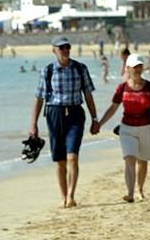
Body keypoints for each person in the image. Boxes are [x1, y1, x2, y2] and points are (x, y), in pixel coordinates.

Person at [30, 36, 99, 208]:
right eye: (61, 48)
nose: (65, 50)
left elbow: (88, 95)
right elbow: (39, 98)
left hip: (76, 113)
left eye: (67, 47)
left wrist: (95, 118)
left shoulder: (80, 68)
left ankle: (71, 195)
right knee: (60, 160)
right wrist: (34, 124)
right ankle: (63, 196)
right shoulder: (47, 71)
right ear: (54, 50)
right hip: (54, 114)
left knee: (73, 157)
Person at [95, 53, 150, 202]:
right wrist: (100, 123)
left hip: (147, 127)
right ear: (127, 68)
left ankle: (140, 189)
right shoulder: (122, 88)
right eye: (135, 66)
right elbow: (113, 108)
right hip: (127, 128)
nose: (138, 69)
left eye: (140, 66)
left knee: (143, 161)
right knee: (130, 159)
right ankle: (130, 193)